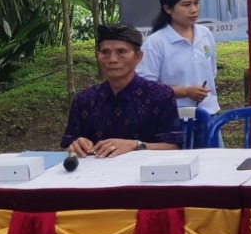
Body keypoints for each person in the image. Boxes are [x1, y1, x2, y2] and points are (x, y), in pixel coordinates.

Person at [61, 24, 181, 157]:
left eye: (121, 52)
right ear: (97, 56)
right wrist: (76, 145)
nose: (112, 59)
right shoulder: (84, 100)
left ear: (138, 57)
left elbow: (172, 146)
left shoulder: (161, 96)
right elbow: (69, 145)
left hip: (146, 173)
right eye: (105, 52)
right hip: (95, 174)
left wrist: (136, 145)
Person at [137, 0, 220, 119]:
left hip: (209, 116)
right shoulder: (156, 43)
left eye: (196, 3)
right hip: (174, 120)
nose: (193, 10)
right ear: (168, 9)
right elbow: (145, 88)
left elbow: (211, 73)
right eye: (186, 5)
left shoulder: (205, 34)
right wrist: (185, 91)